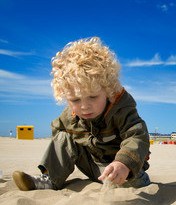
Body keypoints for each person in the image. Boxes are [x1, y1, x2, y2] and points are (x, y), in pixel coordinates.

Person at [12, 37, 151, 191]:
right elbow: (57, 133)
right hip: (92, 166)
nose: (84, 106)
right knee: (63, 136)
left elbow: (137, 135)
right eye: (75, 100)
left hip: (123, 170)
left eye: (93, 97)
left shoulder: (122, 109)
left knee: (134, 183)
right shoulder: (69, 117)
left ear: (109, 89)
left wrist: (124, 163)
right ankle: (49, 179)